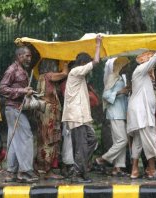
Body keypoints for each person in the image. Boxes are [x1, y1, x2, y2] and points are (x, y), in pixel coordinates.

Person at [127, 33, 156, 180]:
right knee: (150, 140)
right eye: (148, 58)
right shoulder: (140, 70)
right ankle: (151, 171)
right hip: (142, 113)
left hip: (140, 112)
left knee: (139, 143)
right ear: (143, 61)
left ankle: (134, 170)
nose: (151, 61)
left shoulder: (143, 75)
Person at [61, 35, 102, 183]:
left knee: (91, 141)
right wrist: (98, 44)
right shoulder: (76, 71)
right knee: (82, 144)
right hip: (76, 116)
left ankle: (80, 169)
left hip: (81, 116)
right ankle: (77, 174)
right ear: (83, 63)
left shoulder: (79, 76)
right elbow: (96, 61)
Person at [0, 46, 38, 183]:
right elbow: (2, 88)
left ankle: (11, 172)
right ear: (19, 56)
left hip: (16, 108)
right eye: (27, 56)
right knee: (26, 137)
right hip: (14, 108)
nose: (29, 58)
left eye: (30, 56)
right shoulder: (12, 70)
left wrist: (27, 91)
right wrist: (22, 91)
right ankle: (25, 172)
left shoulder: (22, 70)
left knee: (14, 139)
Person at [95, 57, 130, 176]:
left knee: (118, 141)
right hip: (115, 113)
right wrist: (121, 92)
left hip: (121, 113)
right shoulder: (112, 77)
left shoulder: (120, 78)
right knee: (123, 140)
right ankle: (102, 159)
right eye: (125, 66)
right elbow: (105, 95)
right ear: (120, 66)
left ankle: (117, 168)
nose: (127, 68)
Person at [34, 59, 68, 179]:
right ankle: (48, 171)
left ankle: (39, 167)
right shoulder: (49, 75)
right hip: (49, 114)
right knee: (50, 140)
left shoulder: (41, 77)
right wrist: (65, 63)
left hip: (42, 112)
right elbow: (64, 74)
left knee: (42, 140)